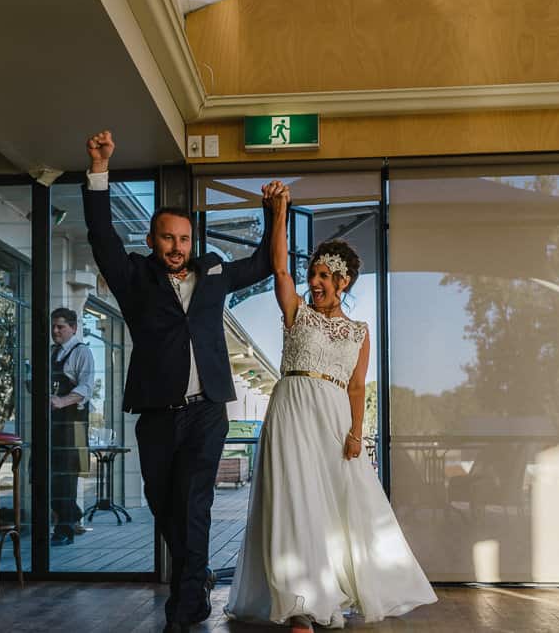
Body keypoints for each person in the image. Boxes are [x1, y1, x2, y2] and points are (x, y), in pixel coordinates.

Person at [83, 130, 283, 632]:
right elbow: (101, 236)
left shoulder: (213, 271)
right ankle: (197, 582)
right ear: (153, 241)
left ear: (194, 242)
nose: (177, 247)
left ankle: (182, 606)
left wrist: (274, 213)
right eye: (168, 238)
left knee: (195, 502)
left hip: (207, 411)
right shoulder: (134, 278)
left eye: (184, 239)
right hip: (155, 413)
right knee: (161, 502)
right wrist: (100, 172)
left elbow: (261, 264)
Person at [226, 182, 437, 630]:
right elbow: (280, 268)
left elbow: (358, 387)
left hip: (334, 418)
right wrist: (278, 212)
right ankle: (302, 602)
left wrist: (357, 433)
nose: (315, 282)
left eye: (325, 276)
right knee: (293, 500)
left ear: (344, 283)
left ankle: (340, 587)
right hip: (290, 409)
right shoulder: (296, 312)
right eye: (314, 274)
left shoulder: (359, 331)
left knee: (335, 507)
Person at [49, 307, 95, 544]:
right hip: (52, 424)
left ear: (74, 328)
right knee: (46, 475)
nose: (55, 331)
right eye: (53, 326)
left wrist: (61, 401)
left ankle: (64, 531)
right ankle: (73, 515)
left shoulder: (82, 352)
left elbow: (86, 388)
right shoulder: (51, 353)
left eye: (61, 327)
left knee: (67, 477)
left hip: (72, 424)